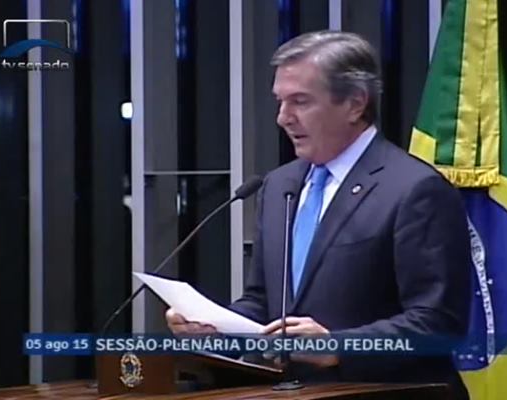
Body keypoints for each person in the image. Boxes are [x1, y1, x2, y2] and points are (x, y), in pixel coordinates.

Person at [166, 30, 471, 399]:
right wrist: (215, 329)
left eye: (300, 102)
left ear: (355, 103)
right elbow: (265, 303)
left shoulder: (415, 189)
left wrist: (339, 347)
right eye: (280, 101)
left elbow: (438, 323)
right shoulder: (280, 186)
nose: (283, 118)